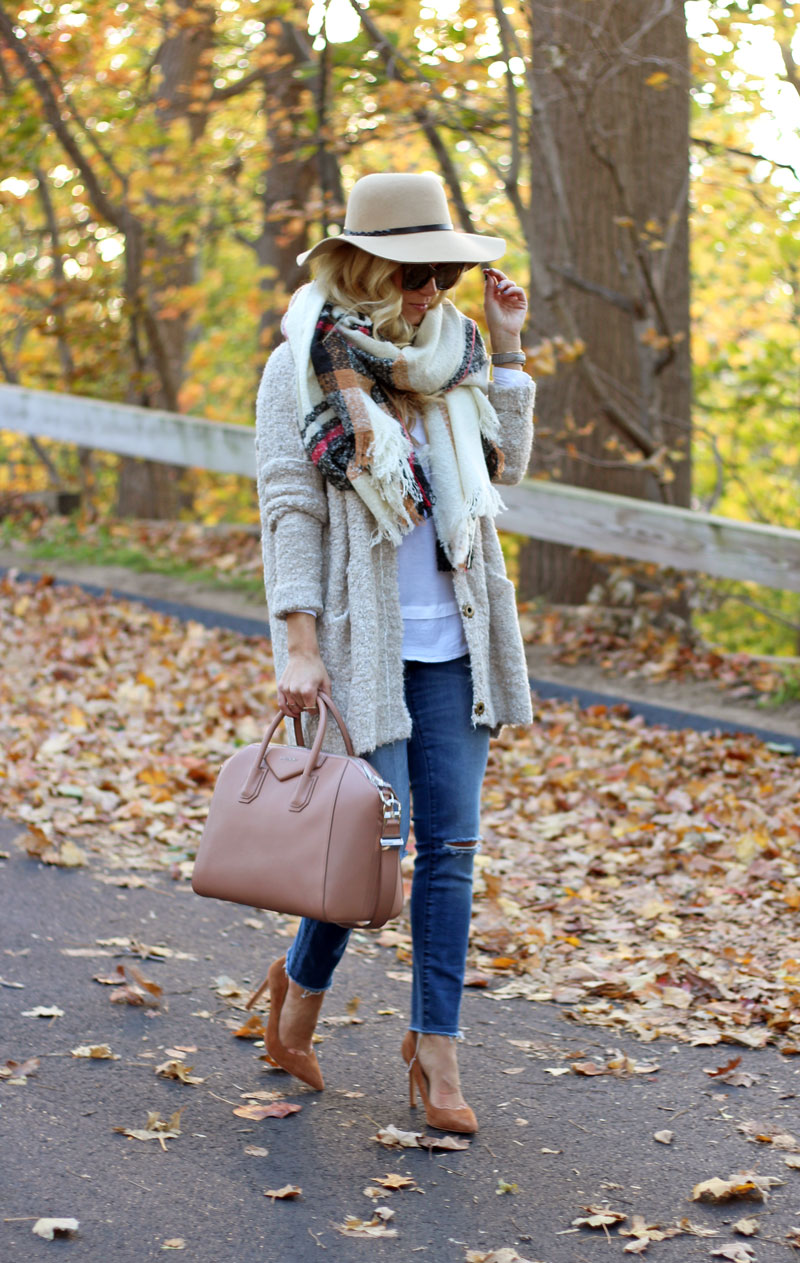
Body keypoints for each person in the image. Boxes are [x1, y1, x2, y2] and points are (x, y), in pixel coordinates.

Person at [254, 171, 534, 1134]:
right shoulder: (303, 364)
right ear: (365, 268)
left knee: (450, 850)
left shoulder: (452, 357)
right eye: (416, 274)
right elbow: (290, 506)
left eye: (445, 273)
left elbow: (507, 470)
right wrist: (298, 642)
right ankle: (296, 994)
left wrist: (506, 351)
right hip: (362, 640)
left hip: (456, 636)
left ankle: (436, 1052)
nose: (433, 292)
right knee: (366, 850)